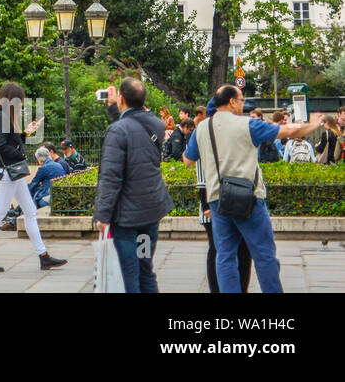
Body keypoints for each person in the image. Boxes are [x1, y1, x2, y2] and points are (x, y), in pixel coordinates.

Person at [184, 84, 322, 293]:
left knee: (225, 256)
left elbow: (187, 159)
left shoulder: (202, 128)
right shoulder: (248, 125)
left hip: (217, 200)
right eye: (240, 100)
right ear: (231, 101)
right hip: (248, 198)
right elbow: (288, 130)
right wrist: (313, 124)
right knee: (264, 255)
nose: (242, 104)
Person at [93, 77, 174, 293]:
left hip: (128, 220)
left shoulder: (117, 131)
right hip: (150, 214)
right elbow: (133, 125)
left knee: (129, 273)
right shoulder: (155, 123)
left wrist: (102, 215)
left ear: (122, 98)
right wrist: (113, 107)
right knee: (144, 268)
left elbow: (111, 177)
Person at [0, 82, 65, 273]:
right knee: (0, 213)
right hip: (9, 169)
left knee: (30, 211)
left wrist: (26, 132)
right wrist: (22, 156)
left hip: (10, 170)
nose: (21, 104)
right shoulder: (1, 116)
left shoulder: (2, 116)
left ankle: (43, 256)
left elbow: (10, 141)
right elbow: (0, 145)